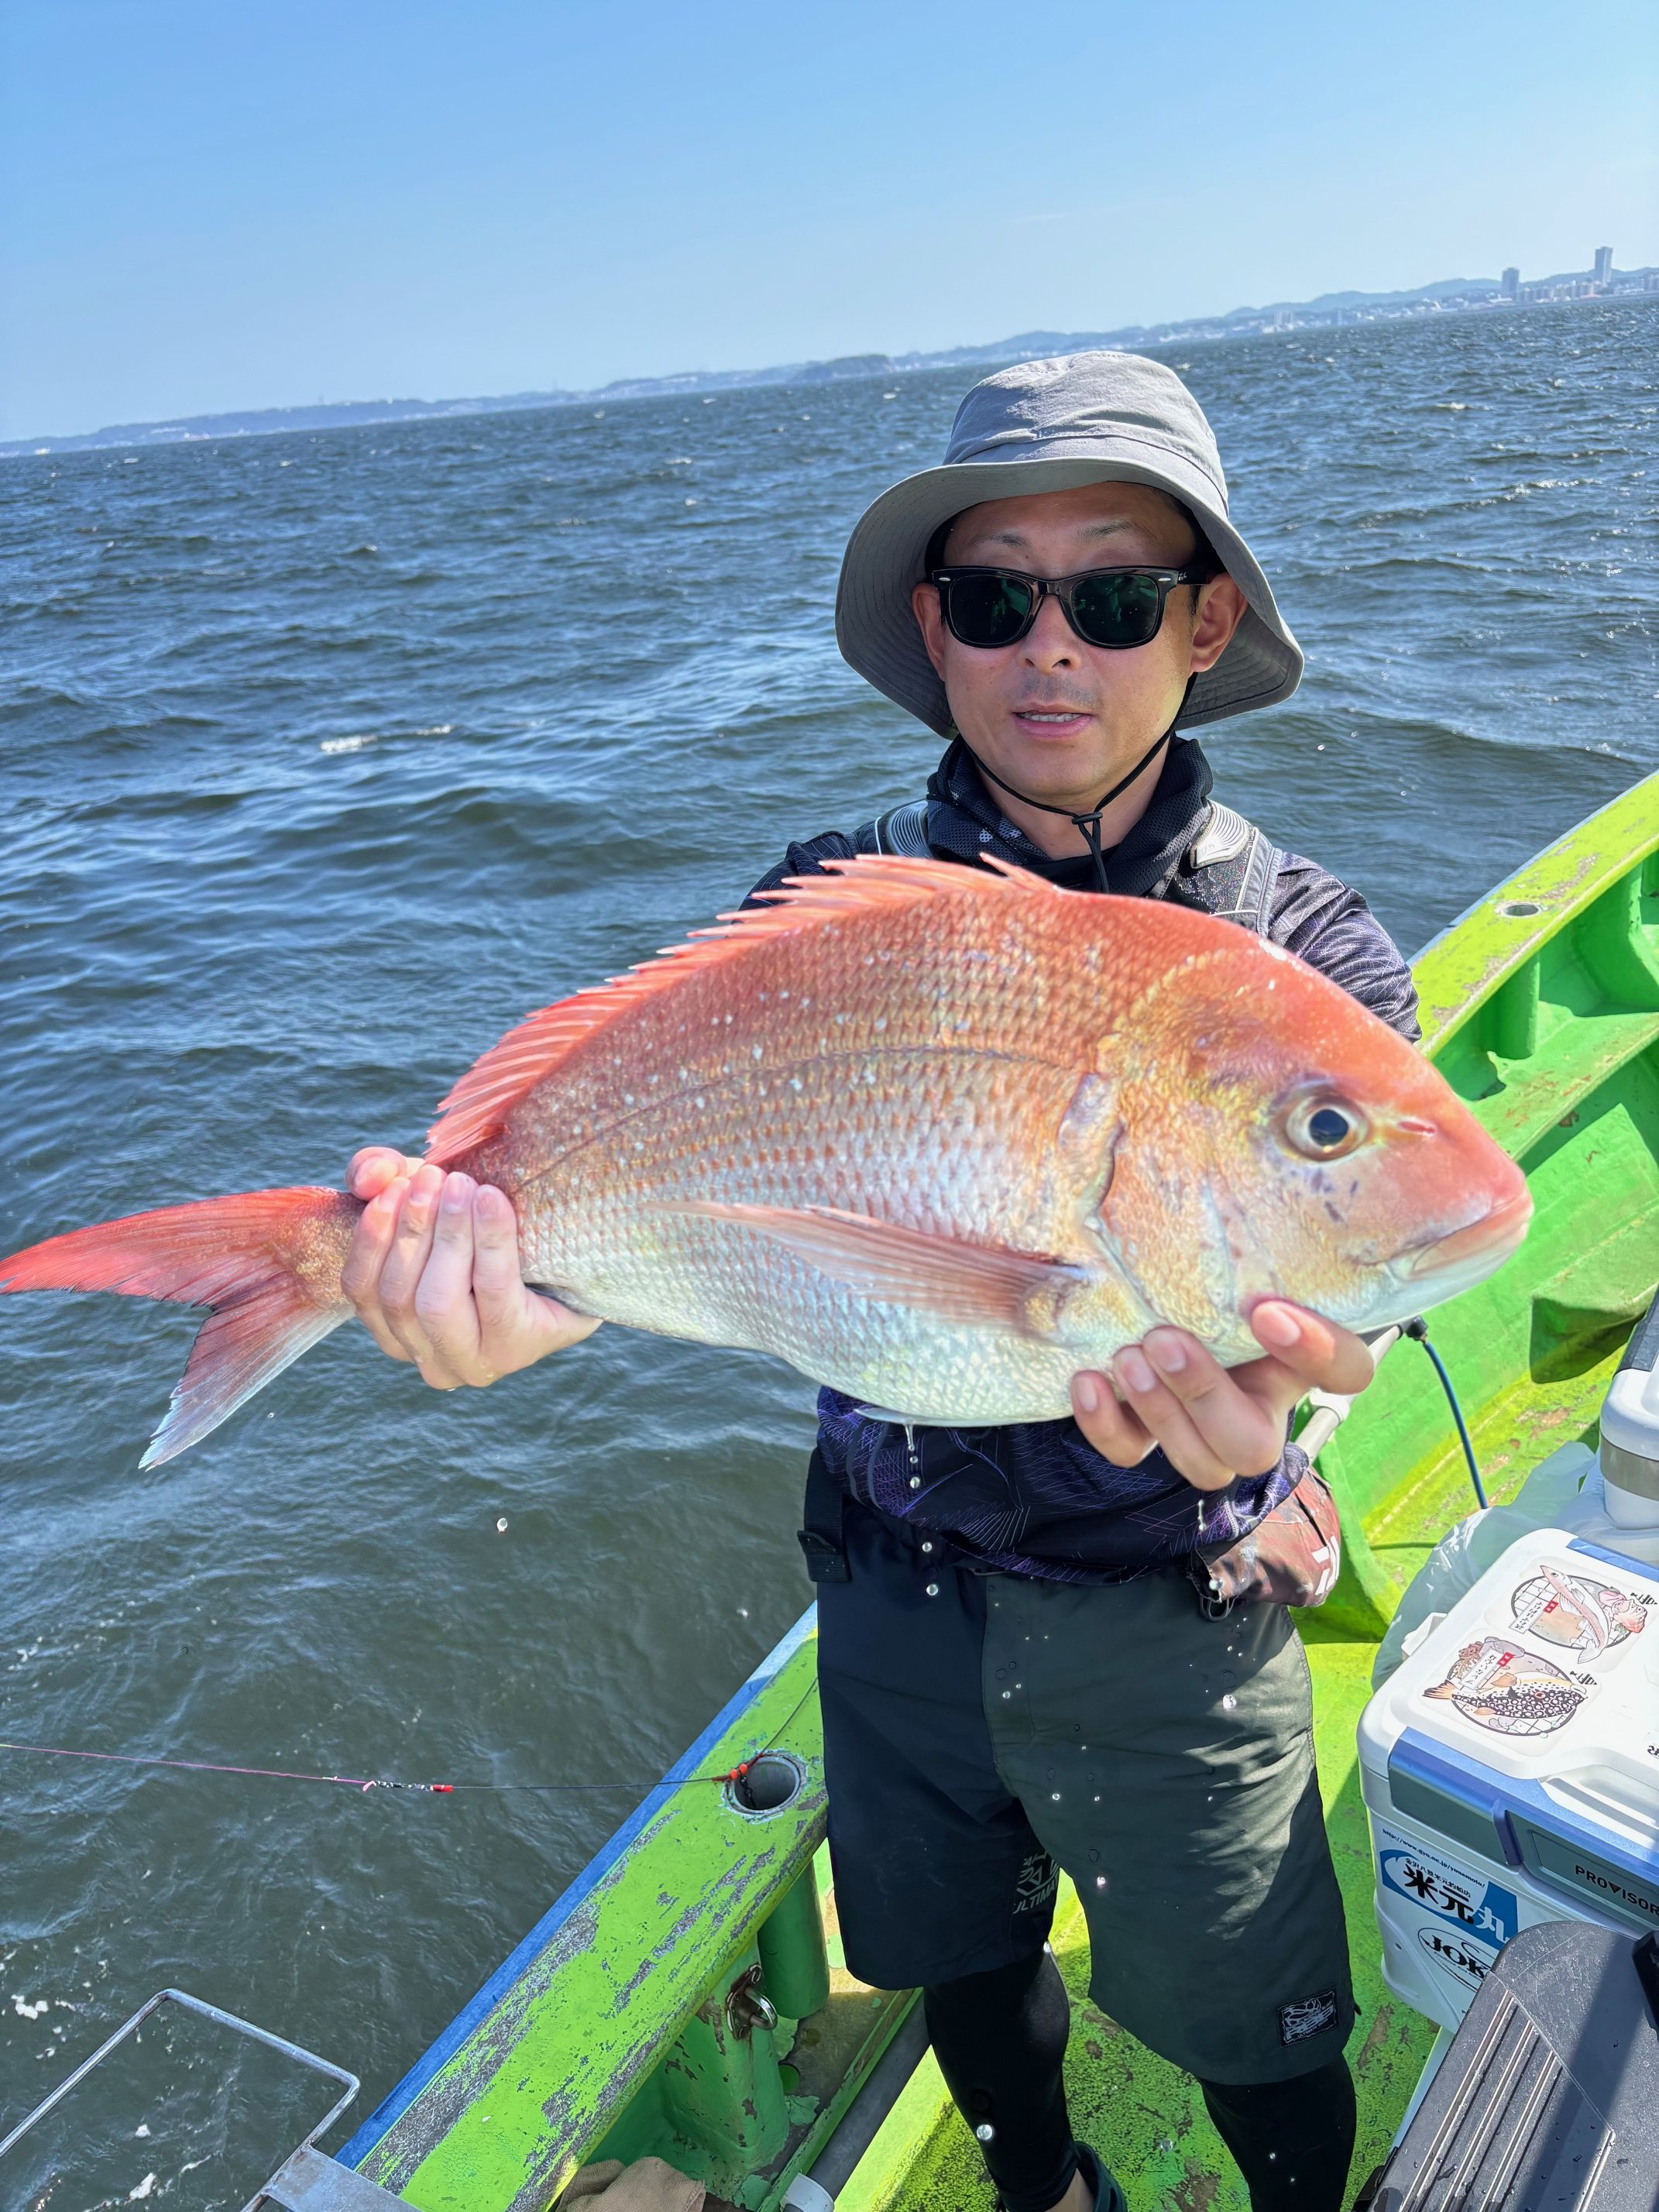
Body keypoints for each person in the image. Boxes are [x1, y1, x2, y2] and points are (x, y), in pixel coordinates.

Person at [339, 354, 1418, 2212]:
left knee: (1265, 2029)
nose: (1051, 645)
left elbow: (1371, 1279)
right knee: (963, 1977)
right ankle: (1043, 2194)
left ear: (1203, 624)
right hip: (893, 1580)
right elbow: (683, 1217)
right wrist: (506, 1301)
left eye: (1116, 595)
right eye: (996, 597)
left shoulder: (1306, 958)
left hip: (1182, 1593)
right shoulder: (828, 900)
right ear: (937, 628)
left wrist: (1308, 1405)